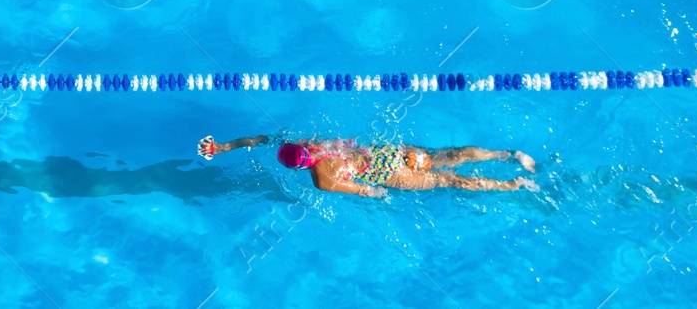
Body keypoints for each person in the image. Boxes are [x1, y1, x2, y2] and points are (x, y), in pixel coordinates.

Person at [197, 133, 537, 196]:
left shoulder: (321, 178)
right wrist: (224, 145)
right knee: (448, 157)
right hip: (390, 152)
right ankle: (508, 155)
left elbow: (365, 190)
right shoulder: (312, 142)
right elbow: (265, 138)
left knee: (449, 180)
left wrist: (380, 196)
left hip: (391, 172)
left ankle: (513, 185)